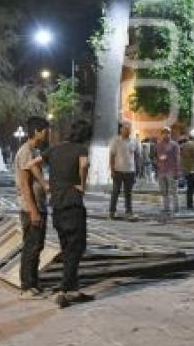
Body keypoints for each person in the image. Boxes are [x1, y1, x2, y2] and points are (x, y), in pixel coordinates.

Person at [28, 120, 95, 308]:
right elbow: (84, 165)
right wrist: (82, 185)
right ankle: (64, 291)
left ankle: (72, 290)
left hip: (57, 206)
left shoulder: (55, 149)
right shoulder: (80, 149)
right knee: (77, 246)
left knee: (67, 248)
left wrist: (45, 184)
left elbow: (32, 164)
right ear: (85, 136)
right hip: (73, 204)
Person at [14, 116, 50, 299]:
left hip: (38, 206)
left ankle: (34, 283)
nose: (48, 133)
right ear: (37, 131)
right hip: (31, 209)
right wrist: (34, 211)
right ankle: (26, 286)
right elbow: (25, 185)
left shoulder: (33, 151)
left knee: (37, 246)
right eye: (46, 130)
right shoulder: (25, 152)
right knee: (31, 246)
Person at [108, 122, 140, 220]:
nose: (127, 130)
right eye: (125, 129)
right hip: (118, 170)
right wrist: (112, 169)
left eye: (129, 129)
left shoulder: (134, 141)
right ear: (121, 130)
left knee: (128, 193)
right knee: (115, 192)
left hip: (130, 171)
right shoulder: (115, 140)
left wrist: (137, 169)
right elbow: (112, 156)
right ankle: (112, 212)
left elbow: (137, 156)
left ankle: (129, 212)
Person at [155, 127, 181, 218]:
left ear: (170, 134)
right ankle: (166, 208)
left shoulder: (174, 145)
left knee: (174, 191)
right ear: (161, 134)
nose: (166, 135)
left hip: (171, 171)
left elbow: (178, 158)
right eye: (164, 133)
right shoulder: (158, 145)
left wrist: (177, 171)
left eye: (168, 133)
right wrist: (158, 164)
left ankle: (176, 209)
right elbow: (156, 157)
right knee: (163, 191)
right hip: (161, 171)